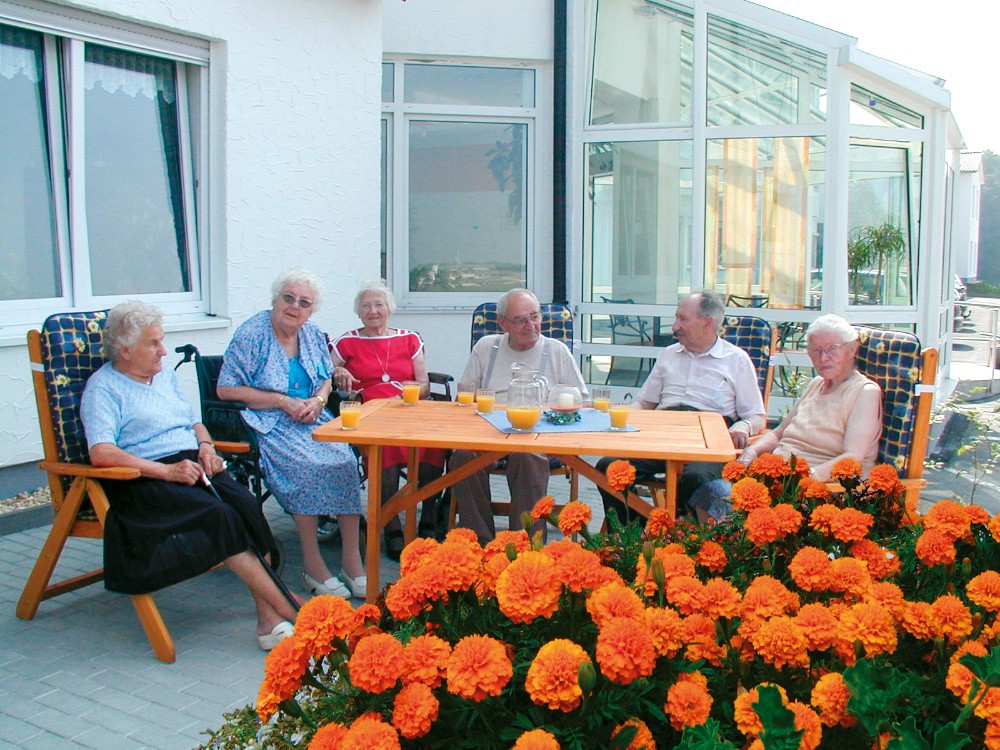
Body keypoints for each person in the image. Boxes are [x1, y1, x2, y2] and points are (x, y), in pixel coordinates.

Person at [80, 301, 300, 651]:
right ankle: (293, 610)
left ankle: (267, 617)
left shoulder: (164, 375)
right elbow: (102, 452)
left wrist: (207, 447)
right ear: (125, 350)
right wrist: (166, 472)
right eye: (153, 343)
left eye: (161, 340)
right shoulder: (104, 388)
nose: (163, 351)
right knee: (219, 515)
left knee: (246, 505)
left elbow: (194, 423)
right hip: (143, 476)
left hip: (192, 463)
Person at [217, 268, 366, 599]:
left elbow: (326, 378)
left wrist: (319, 400)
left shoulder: (311, 334)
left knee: (344, 462)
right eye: (289, 298)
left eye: (304, 302)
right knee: (307, 466)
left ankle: (351, 561)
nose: (294, 306)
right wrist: (282, 401)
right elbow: (225, 388)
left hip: (311, 415)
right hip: (269, 420)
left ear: (311, 310)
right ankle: (313, 566)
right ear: (275, 299)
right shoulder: (252, 335)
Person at [690, 314, 883, 522]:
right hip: (778, 479)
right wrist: (752, 451)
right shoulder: (816, 384)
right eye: (816, 350)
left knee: (724, 500)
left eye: (832, 349)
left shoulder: (865, 392)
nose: (823, 357)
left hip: (820, 490)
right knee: (707, 489)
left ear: (852, 349)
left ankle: (735, 538)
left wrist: (808, 477)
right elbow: (778, 433)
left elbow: (853, 456)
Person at [597, 290, 766, 524]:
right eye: (676, 318)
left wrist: (744, 426)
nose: (675, 326)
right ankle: (634, 533)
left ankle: (677, 536)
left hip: (708, 440)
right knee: (608, 467)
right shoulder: (668, 355)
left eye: (682, 319)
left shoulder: (736, 360)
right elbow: (644, 403)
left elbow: (756, 416)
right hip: (663, 433)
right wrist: (613, 416)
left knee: (696, 478)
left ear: (707, 323)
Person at [449, 288, 589, 544]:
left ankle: (525, 545)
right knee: (462, 456)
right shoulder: (486, 347)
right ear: (503, 323)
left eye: (535, 317)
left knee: (527, 457)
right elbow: (464, 397)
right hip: (488, 432)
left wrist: (556, 408)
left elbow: (583, 401)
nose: (531, 325)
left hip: (538, 434)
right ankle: (478, 542)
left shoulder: (556, 351)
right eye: (521, 320)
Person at [331, 280, 446, 559]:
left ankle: (428, 514)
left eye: (379, 305)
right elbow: (323, 372)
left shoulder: (409, 339)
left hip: (407, 407)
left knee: (434, 446)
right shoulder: (346, 342)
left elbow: (424, 385)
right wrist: (338, 373)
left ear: (390, 309)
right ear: (358, 311)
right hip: (370, 410)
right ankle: (391, 525)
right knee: (386, 448)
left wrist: (408, 393)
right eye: (366, 306)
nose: (373, 311)